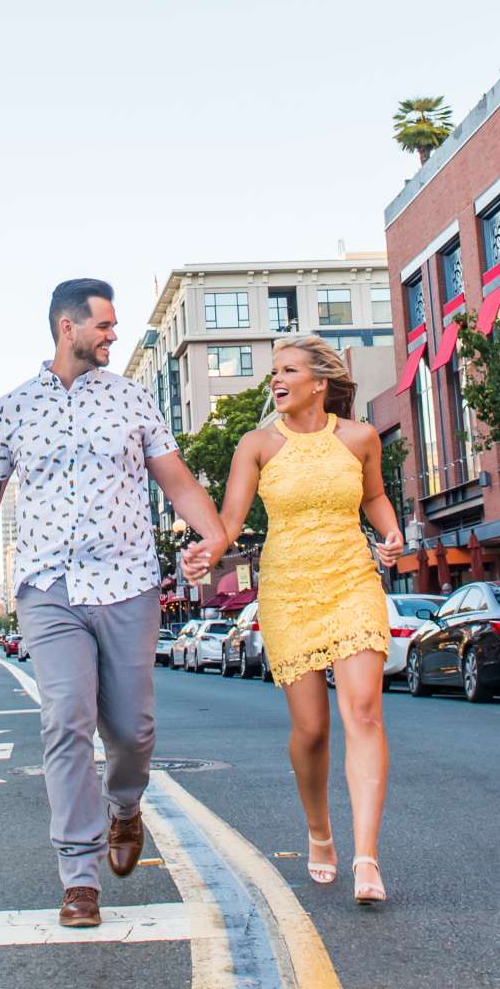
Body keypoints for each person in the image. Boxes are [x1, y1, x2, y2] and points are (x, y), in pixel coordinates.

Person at [0, 279, 226, 931]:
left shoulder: (132, 399)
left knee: (132, 732)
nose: (113, 335)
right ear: (67, 327)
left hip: (128, 582)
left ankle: (125, 804)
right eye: (104, 325)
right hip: (49, 590)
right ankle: (79, 875)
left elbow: (176, 478)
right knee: (65, 721)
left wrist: (212, 533)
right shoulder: (13, 409)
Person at [186, 337, 404, 906]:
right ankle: (319, 832)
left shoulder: (358, 439)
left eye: (287, 370)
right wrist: (207, 551)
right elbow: (230, 521)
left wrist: (392, 531)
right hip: (287, 591)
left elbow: (375, 498)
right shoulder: (255, 445)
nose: (275, 381)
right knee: (311, 730)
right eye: (272, 372)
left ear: (319, 383)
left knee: (362, 712)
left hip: (352, 582)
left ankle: (366, 856)